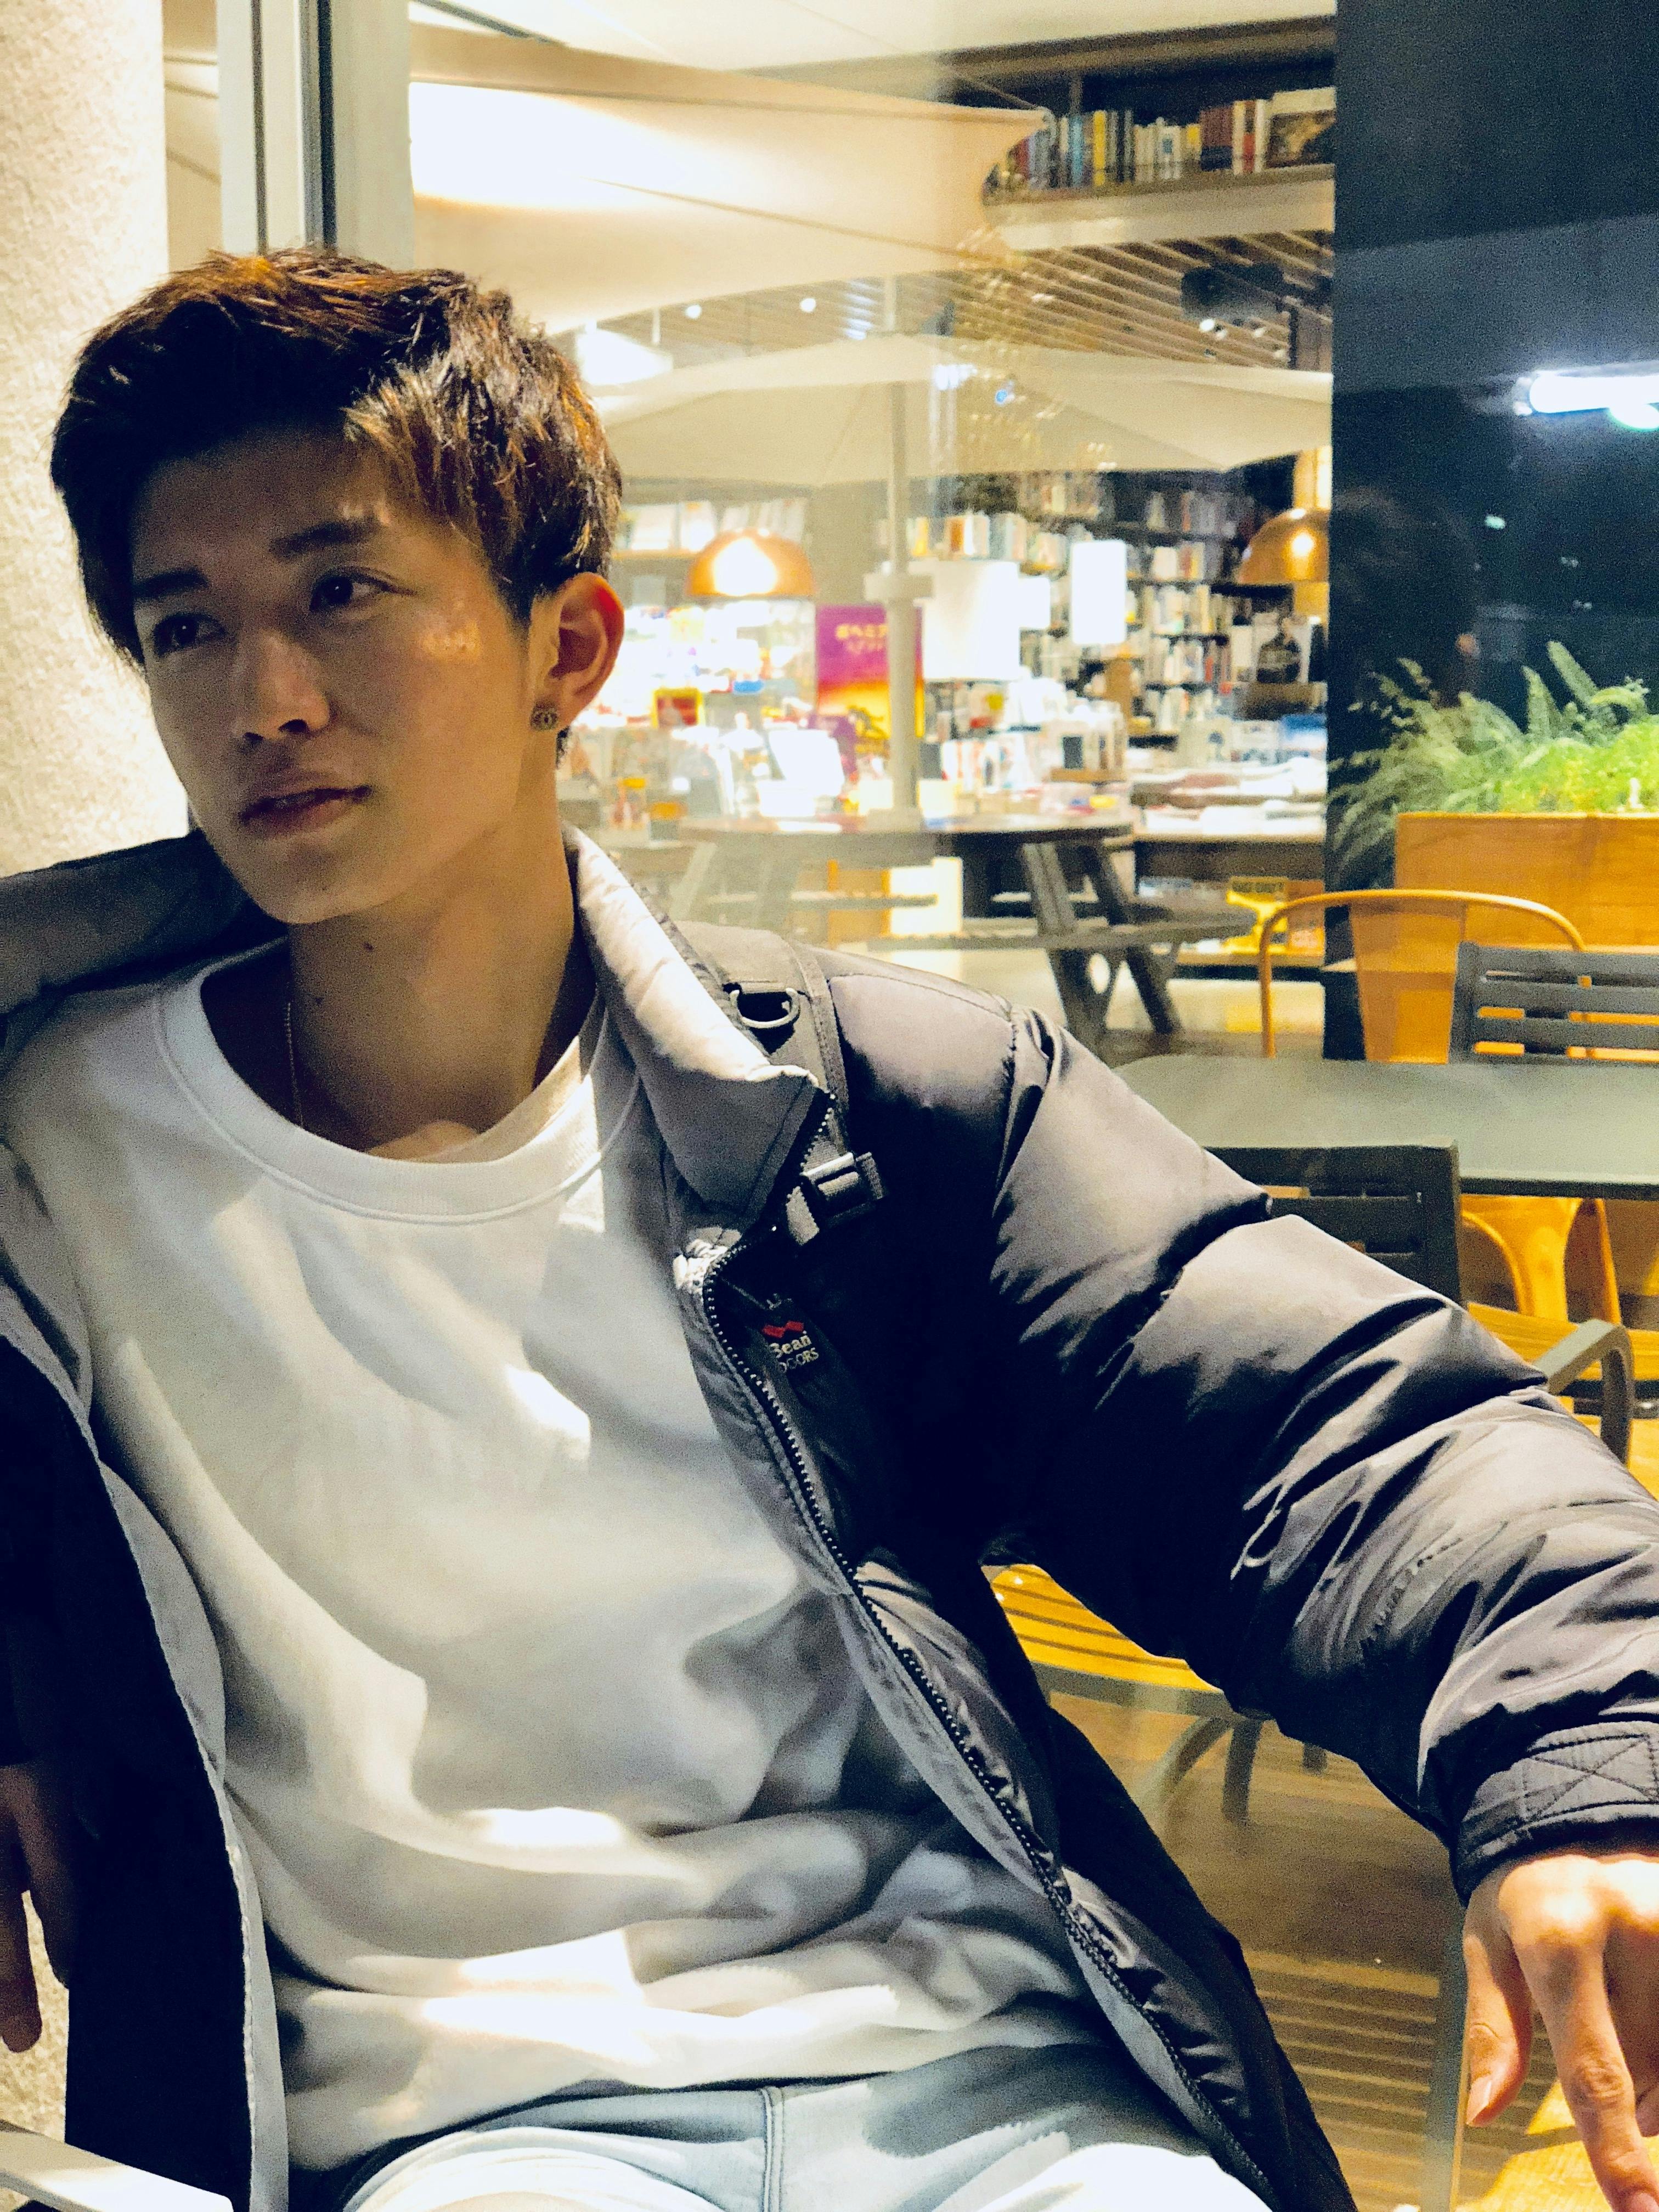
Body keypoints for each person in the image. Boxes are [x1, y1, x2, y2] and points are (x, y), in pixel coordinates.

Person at [3, 249, 1659, 2212]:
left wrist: (1586, 1761)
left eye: (342, 592)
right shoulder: (55, 1146)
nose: (264, 698)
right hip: (471, 2127)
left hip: (990, 2074)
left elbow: (1329, 1435)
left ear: (567, 649)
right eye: (186, 628)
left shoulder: (864, 1104)